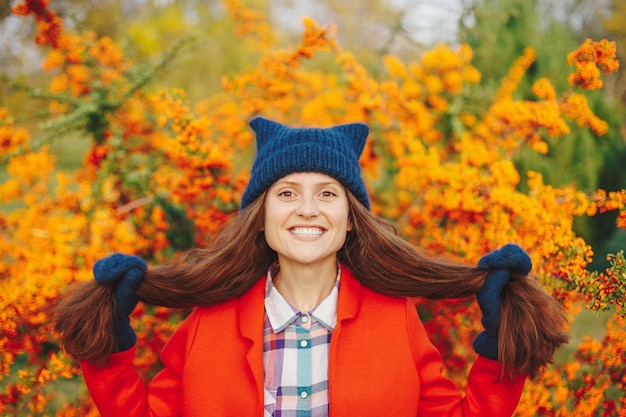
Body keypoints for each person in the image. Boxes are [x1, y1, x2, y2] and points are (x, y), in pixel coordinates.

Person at [54, 117, 569, 417]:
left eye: (327, 193)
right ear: (260, 218)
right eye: (286, 193)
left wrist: (503, 347)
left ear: (350, 221)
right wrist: (110, 351)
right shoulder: (206, 327)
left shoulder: (395, 319)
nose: (307, 209)